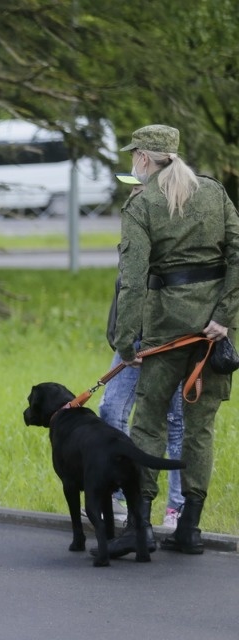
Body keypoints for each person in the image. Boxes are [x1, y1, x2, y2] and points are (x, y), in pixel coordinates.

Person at [108, 124, 239, 557]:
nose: (133, 162)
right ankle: (190, 529)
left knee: (148, 425)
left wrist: (126, 344)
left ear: (144, 158)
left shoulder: (142, 203)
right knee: (200, 431)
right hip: (212, 338)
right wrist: (223, 317)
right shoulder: (214, 192)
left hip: (164, 330)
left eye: (134, 156)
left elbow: (131, 282)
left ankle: (141, 527)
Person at [99, 275, 185, 527]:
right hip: (133, 335)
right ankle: (119, 497)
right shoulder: (132, 236)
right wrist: (119, 333)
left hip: (174, 335)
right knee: (111, 409)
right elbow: (126, 284)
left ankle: (177, 507)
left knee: (175, 420)